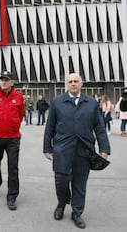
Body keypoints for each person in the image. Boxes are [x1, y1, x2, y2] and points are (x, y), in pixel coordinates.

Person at [43, 73, 110, 229]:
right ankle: (61, 203)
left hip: (84, 149)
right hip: (62, 149)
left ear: (81, 84)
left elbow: (99, 128)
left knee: (80, 183)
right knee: (61, 179)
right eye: (70, 81)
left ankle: (77, 212)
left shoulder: (92, 103)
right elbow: (50, 127)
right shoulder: (57, 102)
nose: (73, 84)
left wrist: (104, 148)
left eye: (76, 81)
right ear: (66, 84)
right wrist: (47, 147)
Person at [0, 70, 25, 211]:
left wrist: (13, 125)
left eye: (6, 79)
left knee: (13, 167)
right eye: (1, 79)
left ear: (12, 82)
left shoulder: (19, 97)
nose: (3, 82)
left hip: (12, 138)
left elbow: (21, 114)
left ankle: (12, 196)